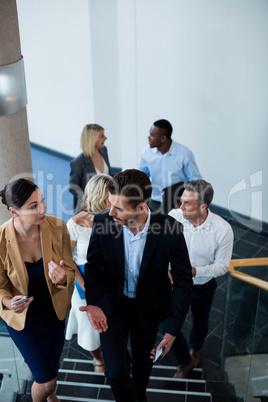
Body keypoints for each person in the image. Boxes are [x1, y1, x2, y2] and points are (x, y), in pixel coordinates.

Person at [80, 169, 193, 402]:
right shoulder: (103, 221)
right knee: (115, 371)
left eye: (118, 208)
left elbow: (183, 283)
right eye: (110, 204)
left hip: (149, 308)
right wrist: (93, 303)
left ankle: (139, 396)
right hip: (112, 306)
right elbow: (93, 267)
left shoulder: (170, 228)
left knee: (143, 363)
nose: (110, 212)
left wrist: (172, 331)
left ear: (141, 207)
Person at [0, 178, 75, 402]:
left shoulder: (58, 226)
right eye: (33, 207)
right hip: (23, 319)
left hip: (54, 312)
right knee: (46, 379)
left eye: (42, 201)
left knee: (50, 369)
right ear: (14, 212)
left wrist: (63, 277)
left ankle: (50, 397)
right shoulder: (1, 240)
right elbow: (0, 286)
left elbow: (70, 269)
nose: (43, 209)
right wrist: (8, 302)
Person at [168, 179, 234, 378]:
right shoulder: (174, 217)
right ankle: (183, 359)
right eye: (181, 201)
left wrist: (195, 272)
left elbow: (222, 266)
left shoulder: (222, 230)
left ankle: (196, 349)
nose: (180, 207)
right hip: (174, 283)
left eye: (187, 203)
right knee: (168, 323)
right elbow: (160, 247)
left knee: (200, 320)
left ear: (203, 206)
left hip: (202, 286)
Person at [65, 174, 112, 372]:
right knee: (89, 329)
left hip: (110, 277)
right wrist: (86, 287)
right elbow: (67, 259)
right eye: (112, 195)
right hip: (82, 279)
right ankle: (98, 356)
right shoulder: (75, 223)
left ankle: (112, 350)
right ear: (100, 196)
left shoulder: (115, 217)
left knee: (111, 321)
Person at [139, 119, 202, 211]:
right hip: (155, 200)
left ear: (163, 138)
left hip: (176, 202)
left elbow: (196, 180)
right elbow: (142, 176)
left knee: (173, 225)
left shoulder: (184, 154)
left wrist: (183, 200)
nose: (148, 137)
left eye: (152, 135)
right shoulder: (146, 152)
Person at [69, 123, 112, 211]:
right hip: (90, 206)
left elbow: (108, 174)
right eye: (102, 136)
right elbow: (73, 186)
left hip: (107, 201)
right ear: (93, 139)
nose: (106, 138)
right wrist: (86, 199)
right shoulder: (78, 162)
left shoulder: (104, 151)